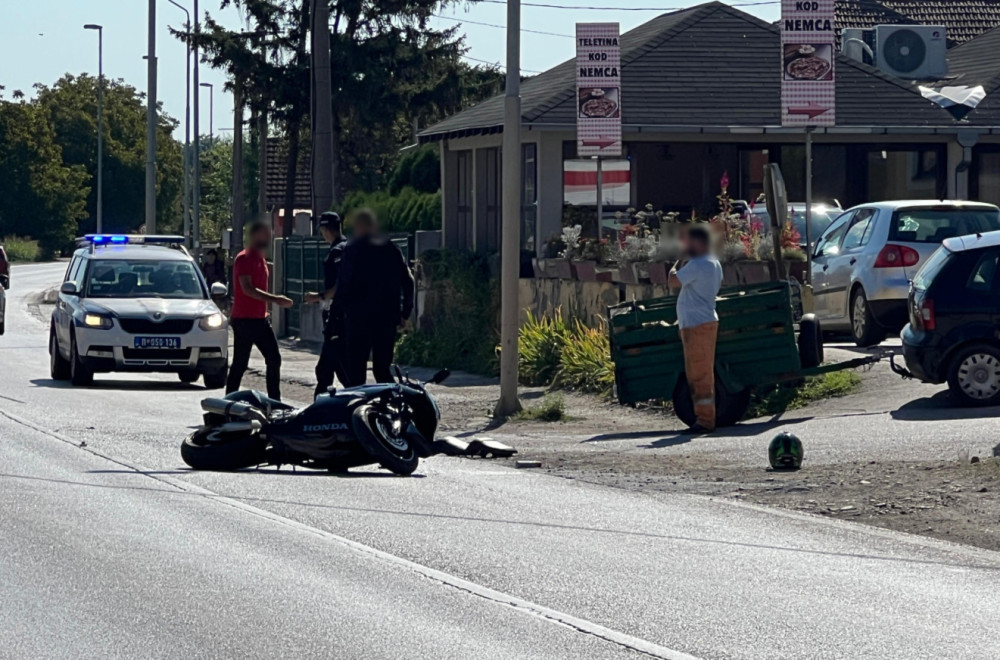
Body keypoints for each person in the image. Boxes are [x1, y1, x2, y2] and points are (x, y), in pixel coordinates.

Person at [333, 209, 415, 386]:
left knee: (356, 372)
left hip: (358, 318)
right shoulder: (392, 249)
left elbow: (343, 285)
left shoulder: (353, 249)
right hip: (386, 318)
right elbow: (408, 282)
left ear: (360, 226)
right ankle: (390, 408)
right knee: (382, 369)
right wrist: (405, 312)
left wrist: (339, 315)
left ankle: (358, 408)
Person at [226, 221, 293, 399]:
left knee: (272, 359)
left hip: (258, 318)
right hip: (245, 319)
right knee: (242, 362)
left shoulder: (260, 257)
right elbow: (247, 288)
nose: (269, 237)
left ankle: (273, 401)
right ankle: (229, 401)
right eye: (265, 234)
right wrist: (275, 299)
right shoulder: (244, 258)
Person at [668, 224, 723, 433]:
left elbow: (672, 281)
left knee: (700, 375)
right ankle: (704, 418)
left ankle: (705, 420)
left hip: (697, 324)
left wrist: (677, 264)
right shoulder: (713, 263)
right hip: (702, 322)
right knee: (700, 373)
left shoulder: (699, 263)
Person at [305, 212, 349, 398]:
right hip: (347, 317)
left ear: (325, 229)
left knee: (324, 369)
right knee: (340, 367)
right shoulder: (350, 247)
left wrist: (319, 296)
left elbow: (340, 284)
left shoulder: (337, 252)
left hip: (338, 317)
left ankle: (320, 410)